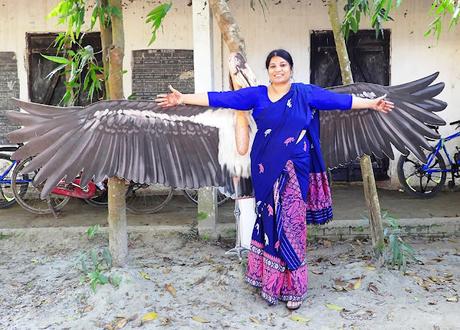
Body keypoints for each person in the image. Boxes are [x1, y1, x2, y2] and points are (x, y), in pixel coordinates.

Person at [155, 49, 393, 310]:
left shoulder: (305, 93)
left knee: (291, 223)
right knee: (268, 219)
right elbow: (221, 97)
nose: (278, 69)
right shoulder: (257, 94)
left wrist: (371, 103)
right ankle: (269, 279)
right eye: (272, 66)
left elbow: (340, 101)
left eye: (282, 65)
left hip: (295, 167)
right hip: (264, 167)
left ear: (291, 69)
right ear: (268, 70)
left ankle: (294, 288)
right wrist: (182, 98)